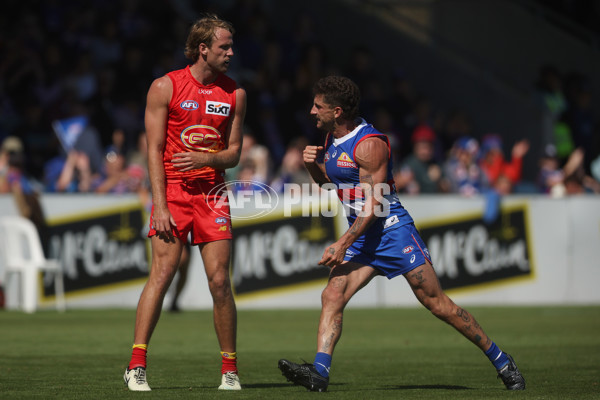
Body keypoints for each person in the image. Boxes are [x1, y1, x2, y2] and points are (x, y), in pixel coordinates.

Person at [277, 76, 525, 392]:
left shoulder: (369, 144)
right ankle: (320, 374)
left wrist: (342, 242)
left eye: (318, 106)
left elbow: (375, 201)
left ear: (337, 111)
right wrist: (313, 167)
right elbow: (332, 185)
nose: (312, 111)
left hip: (393, 233)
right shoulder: (331, 140)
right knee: (332, 295)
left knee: (439, 305)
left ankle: (503, 361)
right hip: (364, 237)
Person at [123, 14, 246, 392]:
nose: (230, 52)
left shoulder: (235, 93)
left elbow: (235, 153)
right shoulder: (165, 86)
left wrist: (207, 160)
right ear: (203, 48)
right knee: (162, 274)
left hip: (212, 195)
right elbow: (154, 151)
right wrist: (159, 205)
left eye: (231, 46)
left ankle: (229, 370)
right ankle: (137, 364)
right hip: (173, 194)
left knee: (220, 282)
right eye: (223, 46)